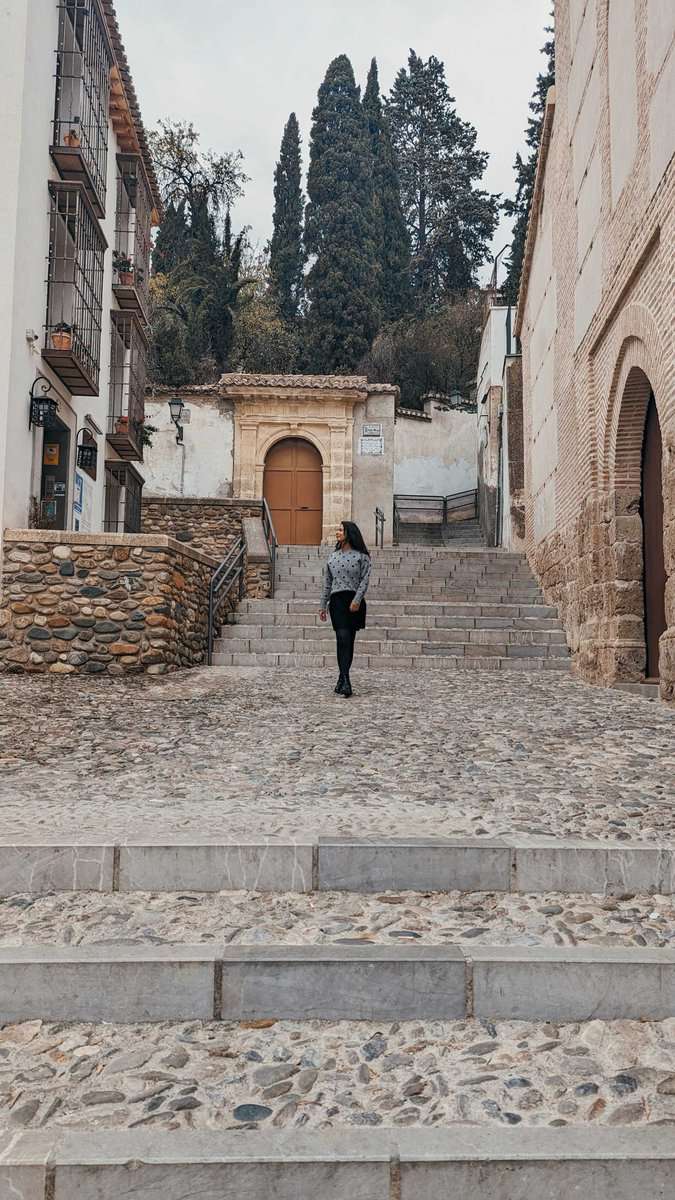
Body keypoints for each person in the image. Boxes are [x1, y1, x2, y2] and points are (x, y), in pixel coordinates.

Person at [319, 521, 371, 697]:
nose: (337, 532)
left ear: (349, 533)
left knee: (349, 641)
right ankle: (346, 679)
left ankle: (342, 679)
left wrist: (357, 600)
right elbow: (327, 583)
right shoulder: (332, 557)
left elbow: (365, 580)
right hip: (337, 602)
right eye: (338, 530)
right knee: (342, 638)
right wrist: (322, 605)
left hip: (354, 602)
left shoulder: (362, 556)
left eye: (341, 530)